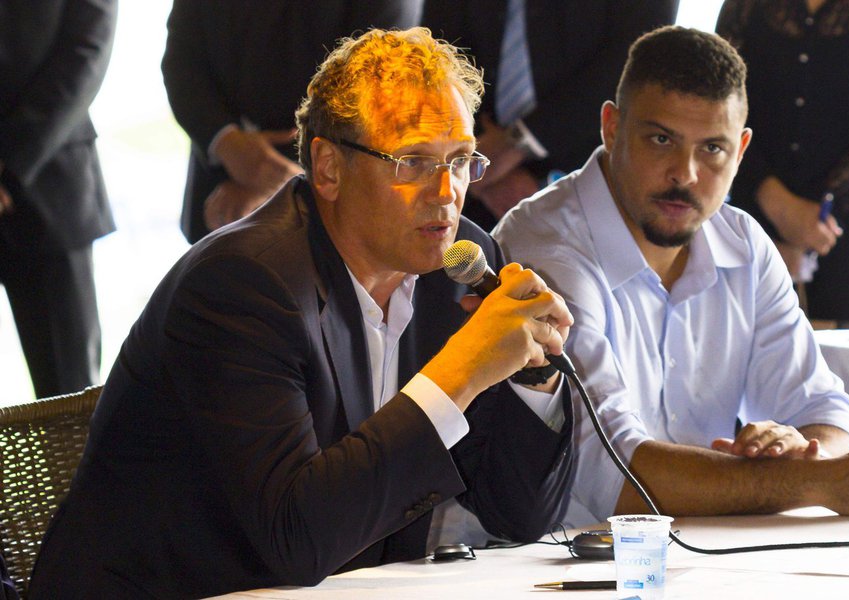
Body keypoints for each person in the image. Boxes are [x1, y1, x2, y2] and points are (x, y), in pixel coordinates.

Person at [29, 27, 575, 598]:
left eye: (460, 160)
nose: (446, 192)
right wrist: (461, 371)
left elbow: (518, 515)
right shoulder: (241, 284)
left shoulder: (457, 263)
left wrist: (533, 375)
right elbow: (297, 539)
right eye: (412, 161)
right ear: (329, 168)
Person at [494, 25, 849, 524]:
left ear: (741, 150)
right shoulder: (544, 251)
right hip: (527, 557)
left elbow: (827, 410)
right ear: (611, 127)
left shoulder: (745, 244)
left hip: (692, 551)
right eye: (661, 139)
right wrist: (815, 481)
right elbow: (614, 474)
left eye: (712, 148)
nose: (685, 173)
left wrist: (799, 450)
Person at [716, 0, 849, 327]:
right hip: (754, 227)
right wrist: (778, 204)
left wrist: (813, 215)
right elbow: (717, 107)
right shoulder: (745, 5)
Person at [162, 0, 422, 244]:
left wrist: (280, 178)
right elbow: (182, 58)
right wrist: (226, 143)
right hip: (220, 200)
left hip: (334, 207)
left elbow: (378, 84)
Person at [421, 0, 680, 231]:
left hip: (593, 183)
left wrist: (518, 143)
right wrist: (475, 164)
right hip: (468, 185)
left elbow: (639, 58)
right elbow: (436, 57)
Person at [0, 0, 117, 398]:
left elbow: (88, 47)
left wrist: (12, 164)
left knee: (69, 396)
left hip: (51, 186)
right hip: (49, 180)